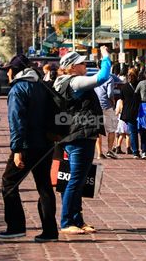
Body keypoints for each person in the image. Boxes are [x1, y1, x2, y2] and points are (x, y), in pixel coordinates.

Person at [0, 55, 58, 243]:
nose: (7, 72)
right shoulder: (43, 86)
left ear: (15, 71)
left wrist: (17, 149)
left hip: (27, 145)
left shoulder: (18, 89)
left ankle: (15, 226)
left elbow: (17, 121)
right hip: (45, 144)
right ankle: (50, 231)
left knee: (9, 183)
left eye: (9, 69)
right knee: (44, 186)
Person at [54, 48, 112, 235]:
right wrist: (106, 56)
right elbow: (102, 77)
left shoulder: (62, 81)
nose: (85, 65)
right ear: (72, 67)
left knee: (74, 180)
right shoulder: (75, 82)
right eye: (81, 63)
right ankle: (66, 221)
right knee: (75, 180)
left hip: (71, 135)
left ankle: (77, 220)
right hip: (80, 136)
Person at [95, 62, 123, 159]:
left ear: (97, 67)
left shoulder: (94, 77)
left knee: (98, 130)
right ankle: (109, 150)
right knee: (111, 129)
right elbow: (110, 93)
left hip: (97, 106)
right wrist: (113, 101)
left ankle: (99, 153)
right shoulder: (109, 78)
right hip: (107, 106)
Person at [116, 67, 141, 157]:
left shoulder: (124, 87)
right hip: (139, 111)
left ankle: (135, 152)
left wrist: (121, 110)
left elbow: (121, 100)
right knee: (142, 132)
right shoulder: (140, 85)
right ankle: (144, 150)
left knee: (132, 132)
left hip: (128, 112)